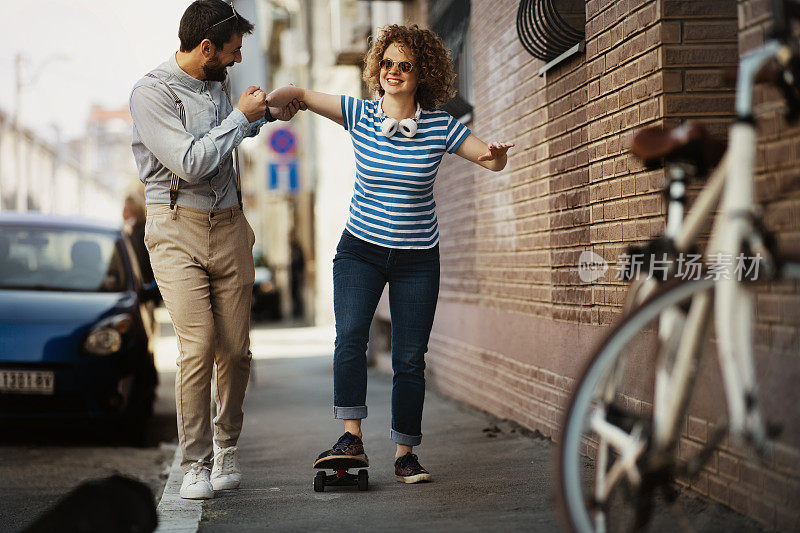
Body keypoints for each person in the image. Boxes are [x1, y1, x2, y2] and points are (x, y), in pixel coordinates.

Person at [266, 24, 513, 483]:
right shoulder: (358, 114)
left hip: (418, 257)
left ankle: (405, 454)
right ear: (377, 68)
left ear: (422, 74)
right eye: (388, 63)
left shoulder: (440, 127)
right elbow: (300, 93)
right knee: (352, 337)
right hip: (360, 250)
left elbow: (489, 159)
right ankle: (351, 436)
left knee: (410, 358)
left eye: (405, 65)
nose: (394, 71)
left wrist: (497, 156)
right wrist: (272, 102)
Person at [129, 0, 303, 500]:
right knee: (198, 344)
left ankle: (227, 448)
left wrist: (264, 115)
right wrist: (238, 120)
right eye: (231, 50)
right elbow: (190, 161)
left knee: (235, 349)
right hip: (176, 228)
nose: (236, 57)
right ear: (206, 47)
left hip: (229, 226)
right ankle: (196, 463)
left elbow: (227, 139)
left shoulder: (217, 83)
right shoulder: (151, 93)